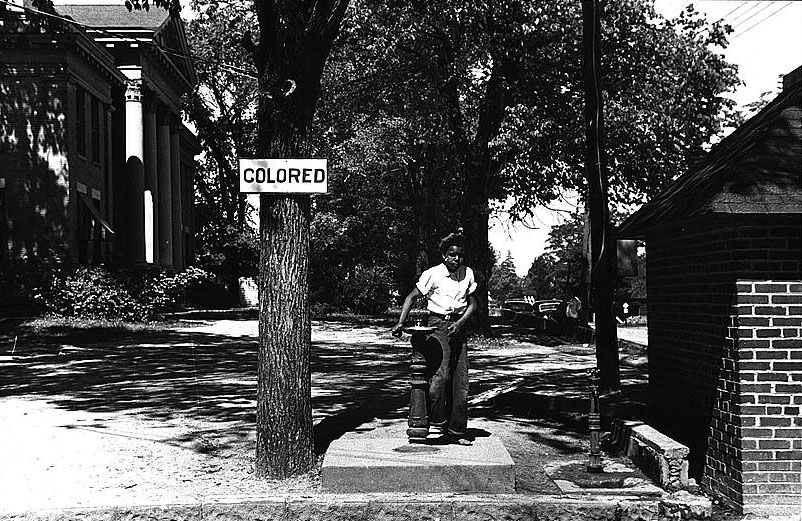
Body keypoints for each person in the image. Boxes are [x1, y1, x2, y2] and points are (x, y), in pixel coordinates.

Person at [391, 231, 477, 445]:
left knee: (461, 381)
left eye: (460, 255)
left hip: (459, 326)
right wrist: (401, 322)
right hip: (437, 325)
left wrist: (460, 323)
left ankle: (456, 431)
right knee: (440, 378)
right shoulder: (433, 274)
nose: (456, 259)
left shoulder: (468, 274)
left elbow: (473, 303)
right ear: (444, 255)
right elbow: (411, 297)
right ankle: (433, 421)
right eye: (452, 254)